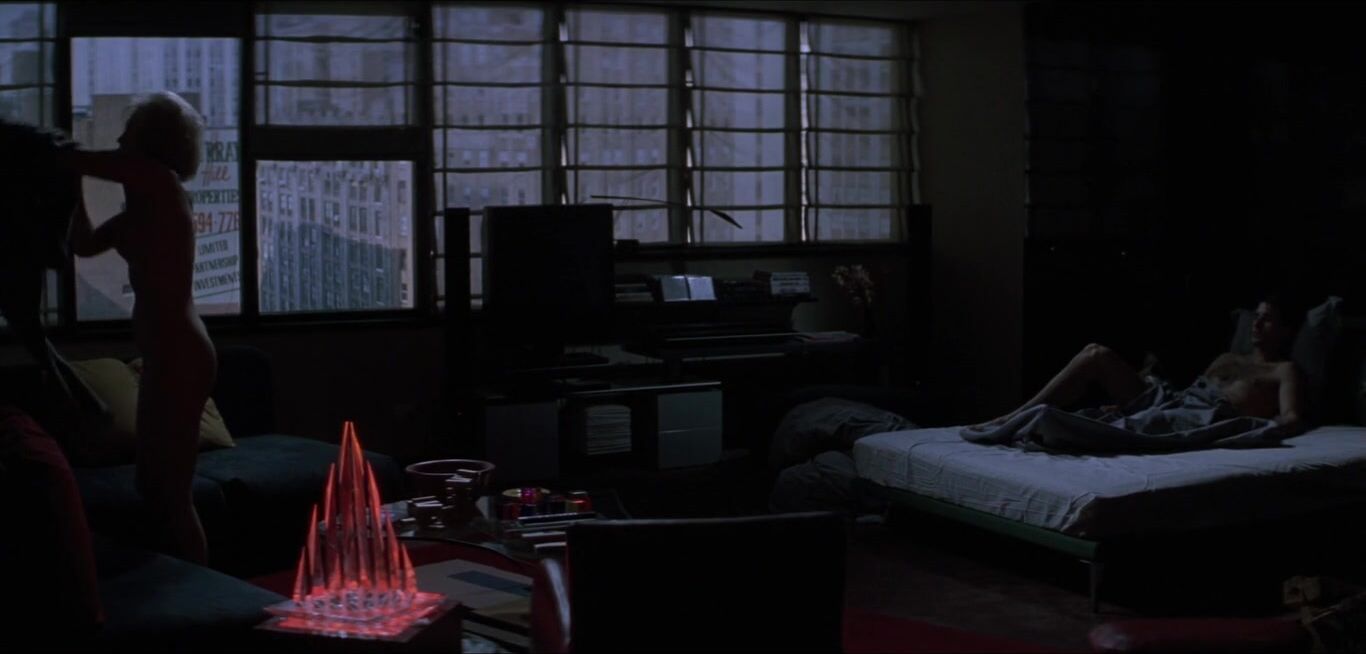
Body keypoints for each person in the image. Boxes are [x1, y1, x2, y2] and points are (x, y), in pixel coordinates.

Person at [63, 91, 215, 564]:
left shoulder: (162, 185)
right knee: (153, 485)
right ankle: (182, 581)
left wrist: (66, 156)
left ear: (150, 143)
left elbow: (108, 164)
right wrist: (73, 186)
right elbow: (84, 244)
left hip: (180, 355)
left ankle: (202, 588)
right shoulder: (139, 212)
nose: (118, 142)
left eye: (126, 134)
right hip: (166, 355)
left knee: (171, 494)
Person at [974, 292, 1309, 439]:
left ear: (1286, 331)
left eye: (1267, 320)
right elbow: (1190, 392)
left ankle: (1027, 420)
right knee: (1095, 353)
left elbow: (1292, 418)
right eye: (1256, 317)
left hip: (1205, 417)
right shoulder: (1228, 358)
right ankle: (1015, 415)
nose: (1256, 325)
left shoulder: (1283, 371)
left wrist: (1252, 427)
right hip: (1175, 400)